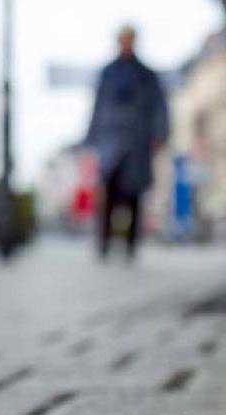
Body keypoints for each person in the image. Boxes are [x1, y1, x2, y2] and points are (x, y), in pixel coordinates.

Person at [83, 24, 169, 260]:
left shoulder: (147, 75)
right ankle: (104, 243)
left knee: (133, 195)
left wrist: (159, 135)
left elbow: (159, 107)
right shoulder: (108, 73)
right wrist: (91, 141)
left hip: (137, 141)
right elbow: (98, 107)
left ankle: (131, 246)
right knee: (108, 194)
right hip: (111, 141)